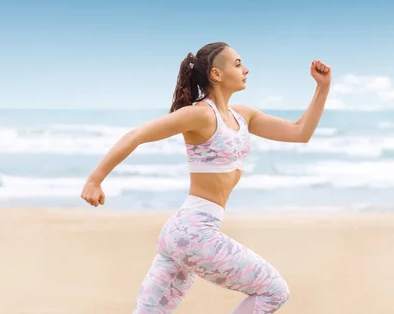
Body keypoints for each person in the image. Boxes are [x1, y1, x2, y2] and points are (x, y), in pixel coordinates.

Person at [80, 42, 331, 313]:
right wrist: (95, 180)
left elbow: (300, 132)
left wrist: (323, 87)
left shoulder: (243, 116)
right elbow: (137, 135)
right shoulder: (200, 114)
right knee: (273, 290)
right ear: (216, 74)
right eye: (237, 64)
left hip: (183, 232)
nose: (245, 69)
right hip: (195, 233)